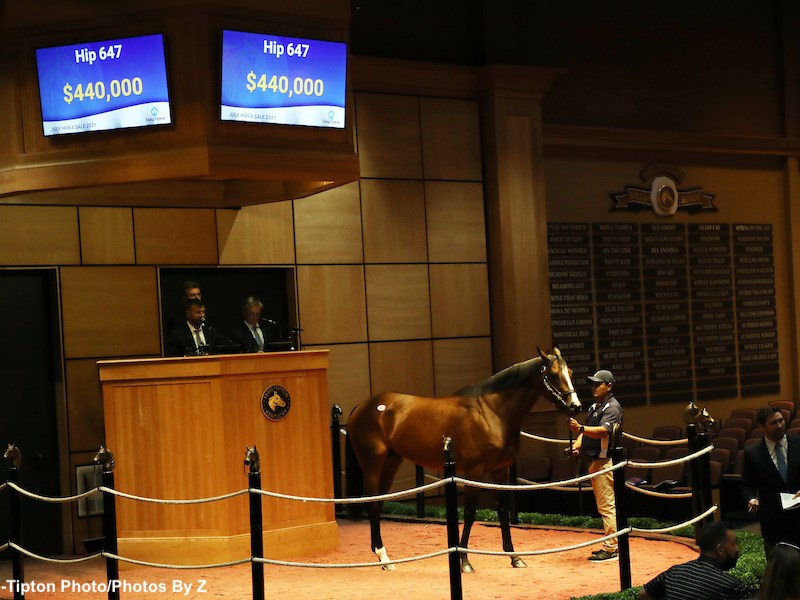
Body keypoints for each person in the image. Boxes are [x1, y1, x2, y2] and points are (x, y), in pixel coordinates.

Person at [567, 369, 623, 562]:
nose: (594, 387)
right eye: (593, 383)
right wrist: (576, 444)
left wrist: (580, 428)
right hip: (594, 462)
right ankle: (611, 544)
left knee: (607, 506)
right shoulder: (595, 407)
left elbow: (601, 432)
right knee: (604, 506)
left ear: (609, 385)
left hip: (604, 463)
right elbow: (586, 432)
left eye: (598, 384)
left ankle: (611, 549)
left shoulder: (612, 408)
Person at [742, 405, 800, 557]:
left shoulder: (798, 443)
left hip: (799, 515)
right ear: (763, 426)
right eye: (774, 423)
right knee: (777, 571)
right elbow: (747, 484)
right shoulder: (752, 453)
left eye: (781, 420)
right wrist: (751, 499)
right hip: (773, 521)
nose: (780, 425)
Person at [638, 521, 750, 600]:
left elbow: (643, 594)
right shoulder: (732, 586)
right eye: (733, 544)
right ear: (720, 549)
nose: (737, 548)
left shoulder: (674, 572)